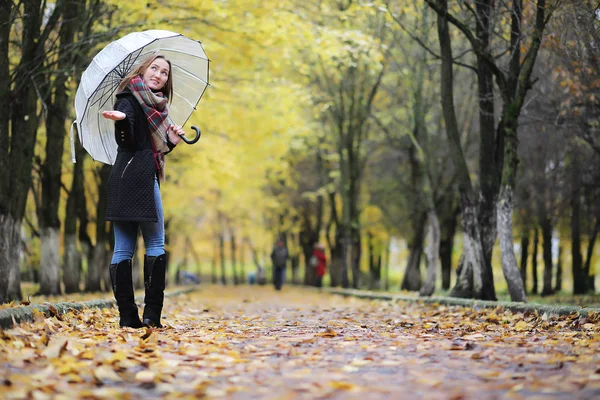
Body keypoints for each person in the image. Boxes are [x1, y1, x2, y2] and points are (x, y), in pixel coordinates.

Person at [103, 54, 186, 328]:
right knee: (154, 243)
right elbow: (126, 141)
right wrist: (122, 121)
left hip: (123, 177)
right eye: (155, 68)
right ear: (143, 69)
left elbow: (152, 148)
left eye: (164, 73)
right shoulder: (129, 99)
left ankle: (129, 319)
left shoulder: (156, 109)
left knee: (123, 249)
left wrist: (170, 142)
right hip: (138, 178)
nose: (159, 75)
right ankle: (150, 316)